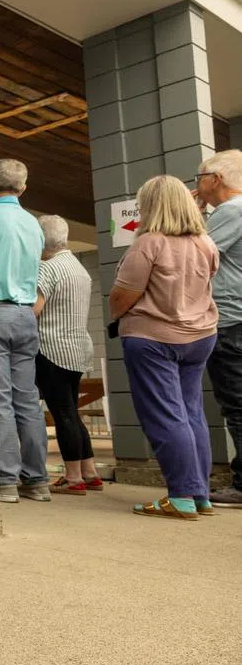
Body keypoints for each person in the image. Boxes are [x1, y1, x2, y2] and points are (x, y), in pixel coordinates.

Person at [110, 175, 219, 520]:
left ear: (150, 206)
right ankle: (200, 495)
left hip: (153, 338)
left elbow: (123, 296)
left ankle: (181, 496)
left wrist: (117, 315)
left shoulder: (148, 243)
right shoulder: (205, 243)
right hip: (200, 336)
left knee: (165, 414)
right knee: (191, 412)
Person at [0, 159, 49, 503]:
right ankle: (37, 480)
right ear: (23, 188)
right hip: (27, 315)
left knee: (0, 399)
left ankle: (6, 480)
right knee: (27, 399)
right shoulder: (33, 224)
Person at [33, 215, 101, 495]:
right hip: (78, 349)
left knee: (63, 415)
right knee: (73, 411)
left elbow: (34, 310)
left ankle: (72, 478)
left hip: (51, 348)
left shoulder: (47, 269)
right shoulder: (79, 269)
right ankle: (90, 472)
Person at [197, 150, 242, 508]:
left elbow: (199, 258)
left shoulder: (230, 212)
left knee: (237, 404)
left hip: (230, 321)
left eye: (201, 176)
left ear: (216, 179)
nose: (197, 183)